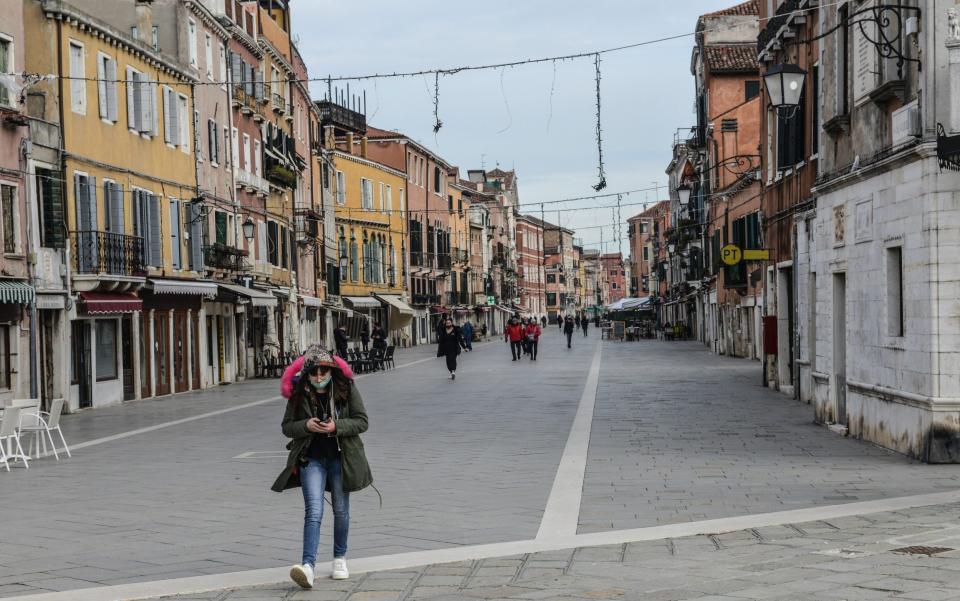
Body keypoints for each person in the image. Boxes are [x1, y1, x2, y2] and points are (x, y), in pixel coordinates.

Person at [274, 345, 371, 589]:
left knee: (340, 510)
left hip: (341, 457)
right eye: (314, 373)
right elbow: (287, 426)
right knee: (314, 511)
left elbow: (362, 421)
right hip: (311, 459)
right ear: (306, 373)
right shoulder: (300, 393)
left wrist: (336, 426)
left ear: (331, 371)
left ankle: (340, 558)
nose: (319, 377)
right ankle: (308, 567)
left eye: (323, 372)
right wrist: (306, 424)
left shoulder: (346, 389)